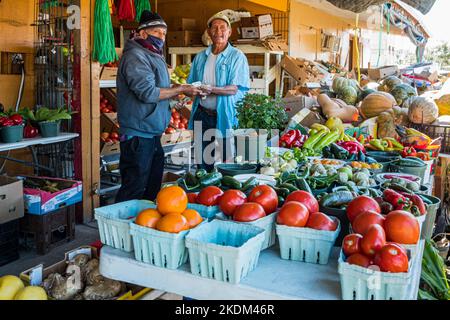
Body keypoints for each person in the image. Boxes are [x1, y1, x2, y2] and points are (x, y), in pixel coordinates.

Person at [115, 11, 202, 203]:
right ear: (143, 33)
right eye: (157, 32)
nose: (162, 37)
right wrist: (180, 88)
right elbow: (148, 93)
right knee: (134, 188)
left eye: (164, 33)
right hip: (138, 134)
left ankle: (141, 228)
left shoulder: (152, 54)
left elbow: (159, 92)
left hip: (152, 133)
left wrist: (178, 97)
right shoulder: (136, 56)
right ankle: (118, 228)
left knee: (151, 187)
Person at [188, 13, 250, 172]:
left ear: (229, 32)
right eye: (214, 28)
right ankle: (204, 192)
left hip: (226, 115)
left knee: (227, 160)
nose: (218, 31)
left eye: (223, 28)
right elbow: (191, 84)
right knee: (202, 161)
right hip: (202, 114)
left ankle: (227, 193)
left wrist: (211, 89)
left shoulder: (237, 56)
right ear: (208, 33)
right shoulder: (201, 57)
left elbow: (234, 88)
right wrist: (189, 92)